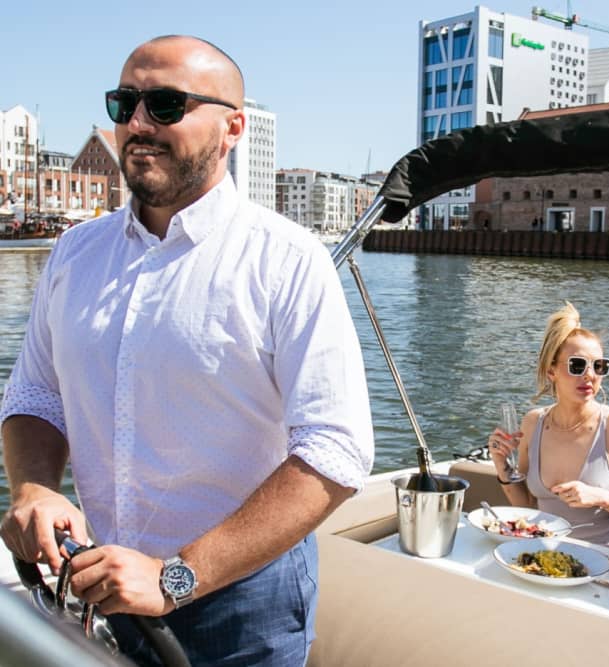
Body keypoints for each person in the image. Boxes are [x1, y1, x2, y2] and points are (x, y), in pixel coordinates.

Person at [0, 35, 374, 665]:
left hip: (243, 604)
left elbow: (337, 448)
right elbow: (36, 395)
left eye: (166, 105)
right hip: (99, 583)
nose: (138, 124)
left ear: (233, 129)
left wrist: (174, 577)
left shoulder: (288, 261)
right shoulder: (74, 253)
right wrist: (35, 489)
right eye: (124, 104)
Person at [487, 302, 609, 546]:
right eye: (577, 365)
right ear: (551, 371)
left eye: (599, 366)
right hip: (543, 552)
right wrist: (502, 466)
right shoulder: (533, 423)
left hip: (604, 557)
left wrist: (601, 497)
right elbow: (528, 505)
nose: (590, 375)